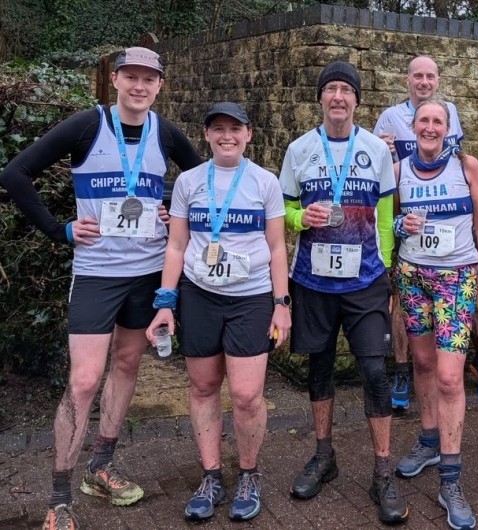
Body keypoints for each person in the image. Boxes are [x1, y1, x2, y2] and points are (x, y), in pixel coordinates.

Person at [0, 47, 202, 530]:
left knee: (129, 362)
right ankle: (59, 496)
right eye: (130, 77)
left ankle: (100, 467)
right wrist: (60, 230)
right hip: (96, 272)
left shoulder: (166, 132)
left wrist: (172, 205)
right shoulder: (86, 126)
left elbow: (201, 182)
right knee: (85, 379)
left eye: (148, 79)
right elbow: (13, 174)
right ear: (116, 79)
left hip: (148, 271)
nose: (139, 86)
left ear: (159, 85)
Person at [145, 102, 291, 522]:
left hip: (250, 298)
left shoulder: (264, 182)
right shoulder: (189, 182)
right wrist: (165, 302)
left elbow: (278, 247)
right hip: (200, 296)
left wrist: (281, 304)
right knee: (204, 387)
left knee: (246, 395)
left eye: (235, 129)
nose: (227, 136)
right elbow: (175, 246)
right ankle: (211, 474)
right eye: (218, 129)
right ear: (206, 135)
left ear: (249, 134)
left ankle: (248, 472)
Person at [278, 61, 409, 525]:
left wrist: (389, 271)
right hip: (312, 281)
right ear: (321, 98)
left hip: (366, 281)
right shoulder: (299, 149)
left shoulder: (375, 149)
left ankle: (382, 470)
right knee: (320, 367)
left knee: (375, 371)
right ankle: (324, 456)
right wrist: (299, 219)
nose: (338, 97)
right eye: (330, 88)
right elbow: (285, 211)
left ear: (356, 99)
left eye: (345, 90)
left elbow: (387, 214)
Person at [374, 56, 478, 410]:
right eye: (417, 75)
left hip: (455, 249)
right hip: (411, 246)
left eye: (429, 76)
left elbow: (454, 156)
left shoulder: (451, 117)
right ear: (407, 80)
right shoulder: (389, 118)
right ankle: (405, 371)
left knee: (470, 309)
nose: (423, 81)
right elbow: (383, 191)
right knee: (405, 314)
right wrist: (382, 153)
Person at [393, 98, 478, 530]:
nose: (430, 127)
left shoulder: (467, 166)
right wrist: (402, 228)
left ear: (448, 129)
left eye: (438, 121)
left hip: (456, 278)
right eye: (423, 121)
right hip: (412, 275)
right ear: (413, 126)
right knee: (423, 362)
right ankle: (429, 439)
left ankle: (451, 479)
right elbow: (390, 222)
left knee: (451, 377)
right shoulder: (398, 169)